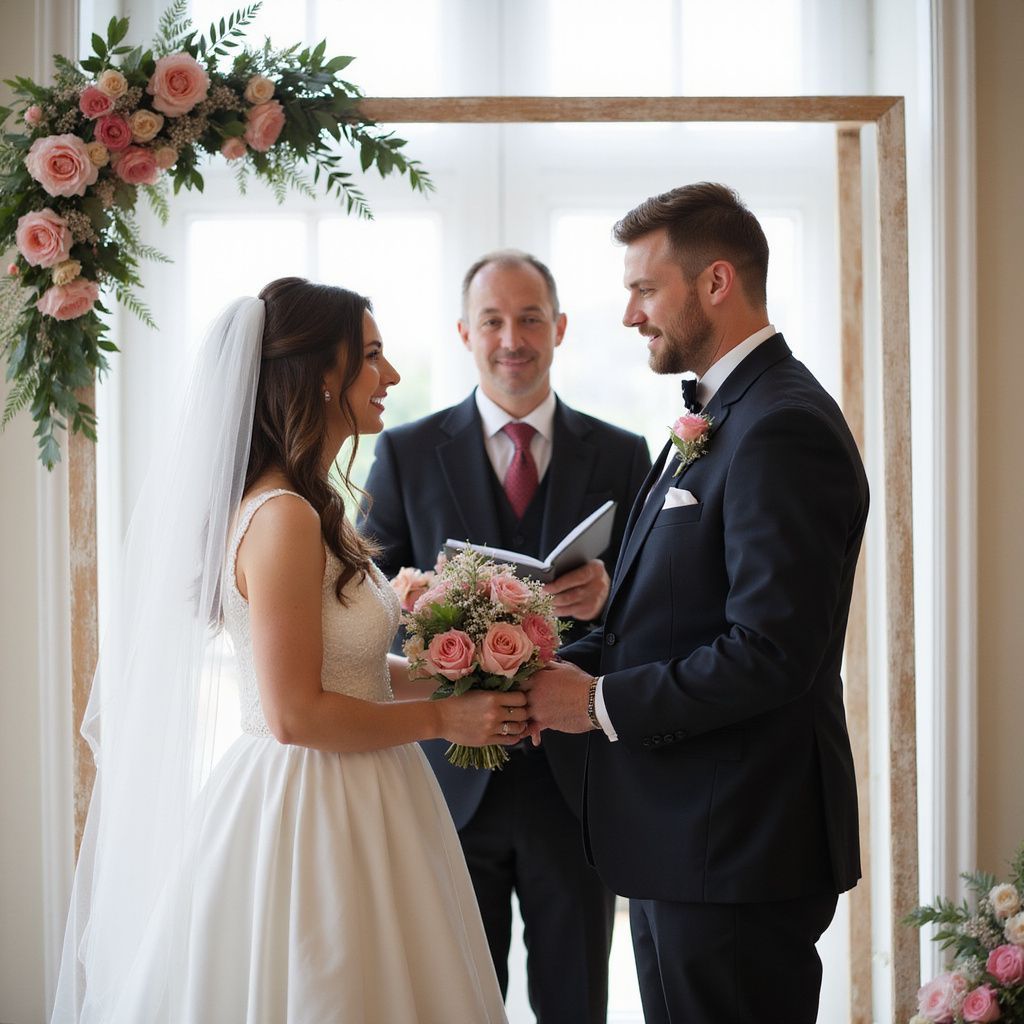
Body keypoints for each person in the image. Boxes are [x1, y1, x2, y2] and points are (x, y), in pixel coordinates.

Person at [51, 277, 522, 1023]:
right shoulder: (281, 519)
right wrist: (444, 724)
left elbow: (353, 671)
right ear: (320, 376)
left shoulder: (313, 506)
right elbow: (295, 713)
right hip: (312, 806)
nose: (391, 375)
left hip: (372, 791)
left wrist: (454, 685)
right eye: (371, 356)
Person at [522, 184, 867, 1024]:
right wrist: (544, 667)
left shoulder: (782, 425)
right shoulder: (722, 416)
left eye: (645, 287)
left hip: (738, 852)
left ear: (716, 282)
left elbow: (770, 651)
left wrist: (595, 702)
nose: (630, 313)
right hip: (684, 851)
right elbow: (666, 619)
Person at [360, 250, 651, 1022]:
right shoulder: (406, 451)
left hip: (576, 781)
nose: (511, 338)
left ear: (558, 328)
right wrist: (421, 600)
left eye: (529, 319)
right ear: (465, 331)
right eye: (493, 320)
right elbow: (365, 604)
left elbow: (657, 613)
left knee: (576, 999)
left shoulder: (623, 453)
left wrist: (609, 597)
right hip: (449, 784)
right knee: (456, 1000)